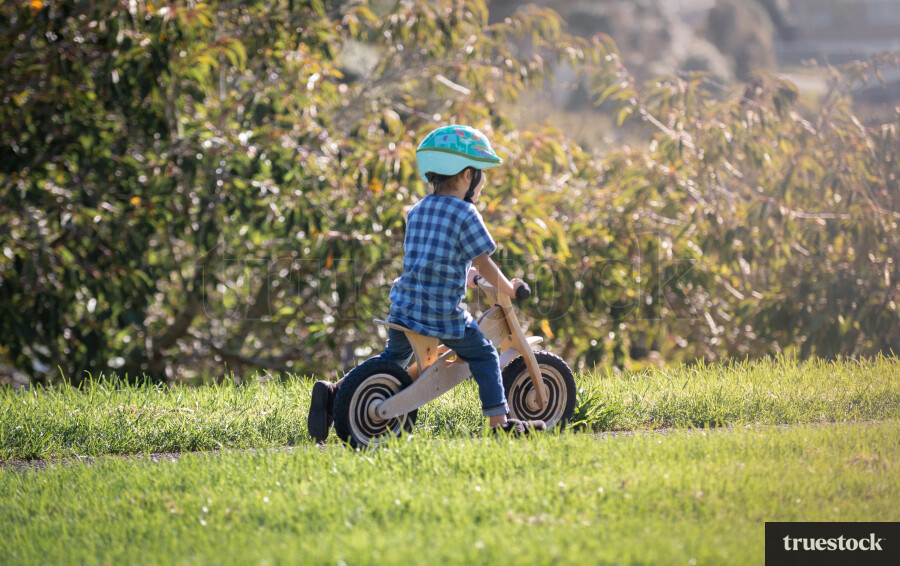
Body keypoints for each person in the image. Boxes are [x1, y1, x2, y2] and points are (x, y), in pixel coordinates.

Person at [307, 125, 545, 443]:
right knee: (486, 355)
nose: (483, 182)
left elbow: (435, 260)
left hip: (404, 305)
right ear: (465, 176)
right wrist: (508, 288)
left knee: (393, 359)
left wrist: (471, 279)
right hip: (440, 313)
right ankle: (500, 423)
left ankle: (335, 391)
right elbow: (484, 261)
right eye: (481, 174)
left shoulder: (418, 210)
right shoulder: (466, 213)